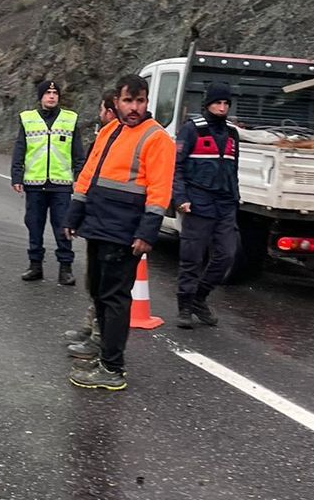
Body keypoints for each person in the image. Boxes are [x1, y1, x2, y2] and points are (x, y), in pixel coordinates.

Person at [63, 74, 175, 391]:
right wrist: (74, 215)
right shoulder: (110, 131)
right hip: (99, 224)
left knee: (114, 298)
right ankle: (102, 350)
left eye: (140, 101)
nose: (134, 107)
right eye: (128, 100)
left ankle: (112, 368)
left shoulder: (157, 138)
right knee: (98, 291)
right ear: (117, 101)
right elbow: (88, 175)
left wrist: (147, 233)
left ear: (147, 102)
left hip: (124, 230)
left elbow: (159, 191)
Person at [172, 82, 241, 329]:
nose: (222, 108)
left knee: (227, 255)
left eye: (225, 103)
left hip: (225, 204)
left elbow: (233, 169)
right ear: (208, 104)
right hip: (198, 202)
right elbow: (177, 167)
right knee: (192, 258)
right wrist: (180, 198)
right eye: (217, 103)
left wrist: (235, 198)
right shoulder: (191, 130)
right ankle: (184, 306)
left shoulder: (232, 134)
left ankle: (199, 297)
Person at [11, 80, 86, 285]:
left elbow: (78, 153)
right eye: (47, 93)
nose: (51, 96)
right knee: (34, 226)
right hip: (34, 184)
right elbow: (20, 149)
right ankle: (35, 265)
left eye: (55, 93)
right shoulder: (28, 119)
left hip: (61, 185)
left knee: (64, 227)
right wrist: (16, 176)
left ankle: (65, 268)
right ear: (40, 97)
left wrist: (79, 177)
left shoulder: (70, 119)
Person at [63, 88, 117, 346]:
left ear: (109, 111)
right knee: (94, 281)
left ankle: (99, 337)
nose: (100, 114)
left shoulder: (119, 140)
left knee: (106, 285)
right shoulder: (104, 137)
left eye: (101, 109)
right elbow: (87, 176)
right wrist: (76, 216)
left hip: (111, 222)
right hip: (97, 219)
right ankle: (90, 326)